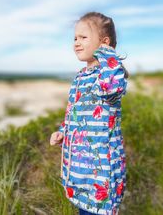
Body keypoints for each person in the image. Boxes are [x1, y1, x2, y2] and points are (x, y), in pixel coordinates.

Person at [50, 12, 129, 215]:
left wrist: (107, 55)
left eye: (83, 37)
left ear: (104, 43)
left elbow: (112, 89)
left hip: (101, 175)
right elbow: (74, 114)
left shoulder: (109, 74)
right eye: (75, 38)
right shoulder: (79, 77)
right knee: (83, 210)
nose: (76, 42)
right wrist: (63, 131)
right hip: (78, 172)